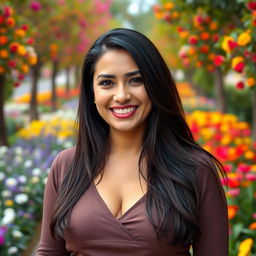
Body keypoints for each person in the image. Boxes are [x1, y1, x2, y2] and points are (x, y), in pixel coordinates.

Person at [36, 28, 228, 256]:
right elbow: (50, 252)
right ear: (92, 93)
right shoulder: (67, 165)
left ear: (156, 85)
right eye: (107, 83)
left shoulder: (196, 169)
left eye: (135, 80)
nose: (121, 95)